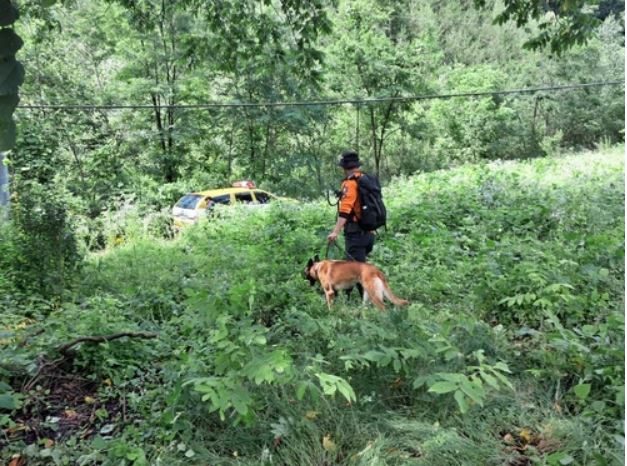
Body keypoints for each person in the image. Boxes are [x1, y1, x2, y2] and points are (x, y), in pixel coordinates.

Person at [327, 150, 375, 263]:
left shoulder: (350, 184)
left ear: (344, 167)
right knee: (360, 269)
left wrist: (335, 232)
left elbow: (345, 210)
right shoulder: (366, 179)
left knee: (355, 273)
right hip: (369, 233)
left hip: (356, 234)